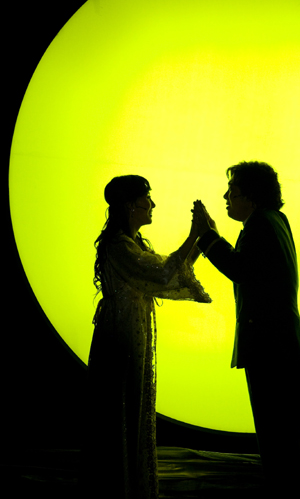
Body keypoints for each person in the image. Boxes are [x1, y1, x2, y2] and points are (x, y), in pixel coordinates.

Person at [82, 175, 211, 499]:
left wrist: (200, 239)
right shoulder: (119, 246)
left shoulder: (133, 244)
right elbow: (162, 274)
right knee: (121, 410)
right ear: (130, 205)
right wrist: (194, 234)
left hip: (132, 334)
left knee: (131, 408)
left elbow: (169, 272)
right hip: (121, 337)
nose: (152, 204)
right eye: (147, 198)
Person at [192, 161, 300, 493]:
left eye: (232, 191)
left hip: (269, 349)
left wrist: (206, 236)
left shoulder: (259, 224)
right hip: (286, 347)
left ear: (251, 196)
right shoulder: (276, 220)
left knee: (276, 445)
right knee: (287, 442)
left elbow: (241, 269)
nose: (225, 197)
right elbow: (256, 270)